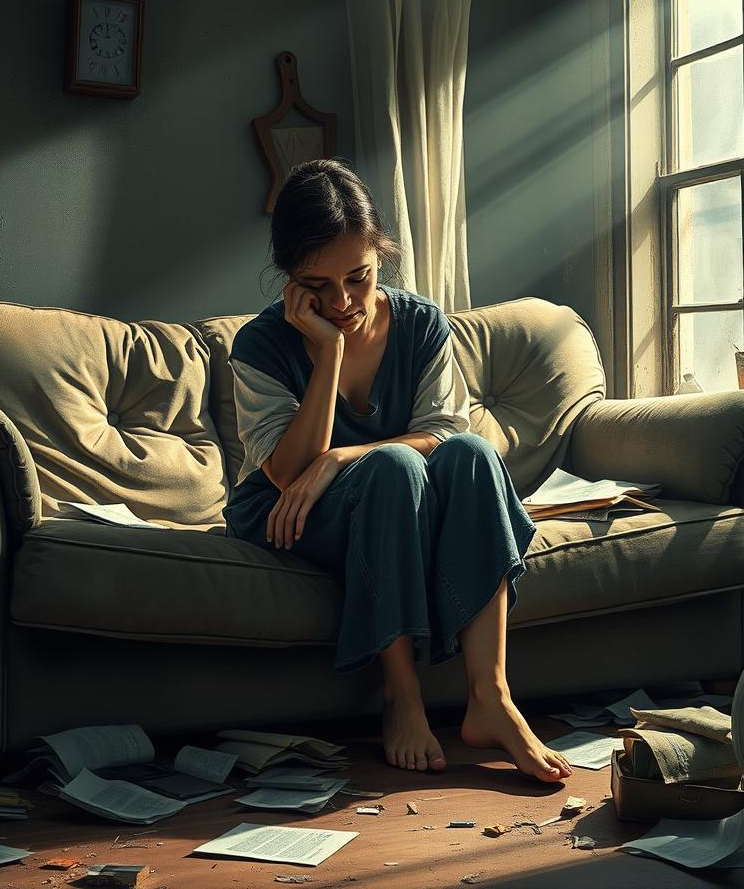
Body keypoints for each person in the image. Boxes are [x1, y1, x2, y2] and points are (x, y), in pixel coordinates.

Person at [222, 159, 572, 782]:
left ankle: (490, 697)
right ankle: (400, 694)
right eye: (318, 285)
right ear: (290, 281)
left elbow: (446, 431)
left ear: (381, 252)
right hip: (289, 512)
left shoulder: (420, 323)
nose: (343, 302)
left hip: (387, 486)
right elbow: (290, 472)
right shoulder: (261, 344)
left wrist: (345, 455)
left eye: (358, 277)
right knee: (394, 467)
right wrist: (328, 350)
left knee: (472, 455)